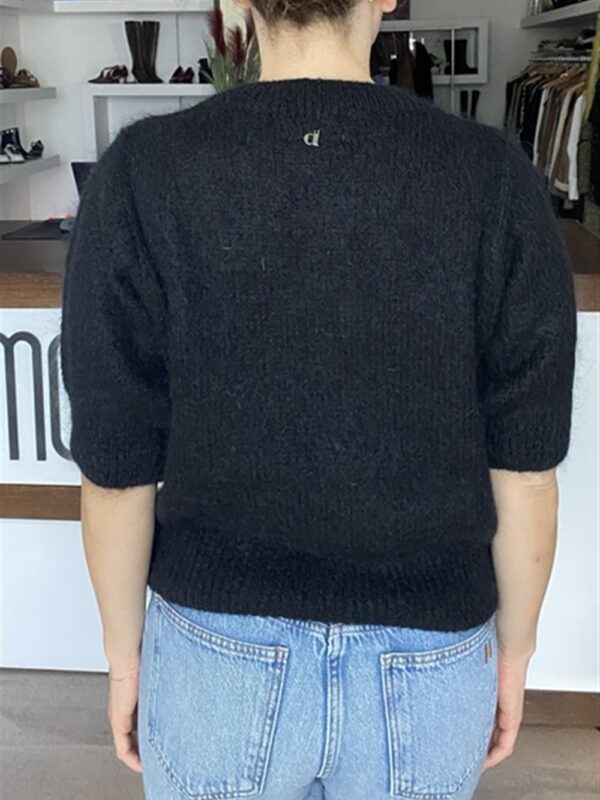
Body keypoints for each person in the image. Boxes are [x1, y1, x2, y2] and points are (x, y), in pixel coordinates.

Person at [59, 0, 577, 798]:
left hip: (215, 651)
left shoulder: (142, 171)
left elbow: (116, 471)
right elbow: (528, 469)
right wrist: (515, 655)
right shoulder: (493, 175)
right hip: (429, 654)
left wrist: (125, 661)